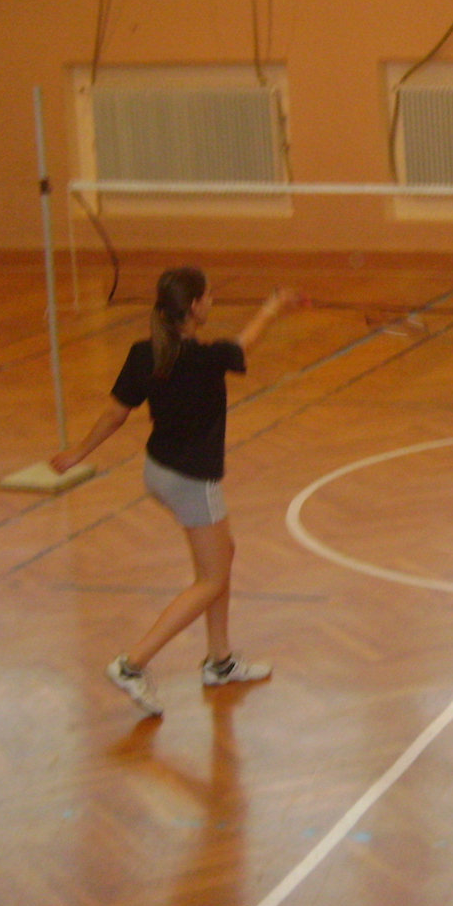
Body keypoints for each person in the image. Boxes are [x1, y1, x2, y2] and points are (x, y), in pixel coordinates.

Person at [50, 268, 301, 717]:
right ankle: (132, 664)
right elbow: (245, 344)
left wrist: (77, 453)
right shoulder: (206, 358)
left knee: (223, 554)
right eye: (209, 296)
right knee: (211, 579)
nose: (212, 301)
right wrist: (273, 306)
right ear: (194, 307)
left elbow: (115, 414)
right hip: (191, 481)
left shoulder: (144, 353)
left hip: (158, 471)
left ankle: (220, 661)